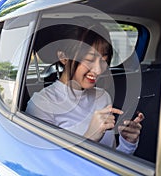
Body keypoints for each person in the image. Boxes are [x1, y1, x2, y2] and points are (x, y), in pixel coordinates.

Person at [26, 17, 144, 154]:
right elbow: (46, 166)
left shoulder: (102, 96)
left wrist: (127, 143)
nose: (98, 70)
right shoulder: (42, 104)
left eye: (104, 61)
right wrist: (89, 138)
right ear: (63, 57)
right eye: (89, 60)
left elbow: (109, 158)